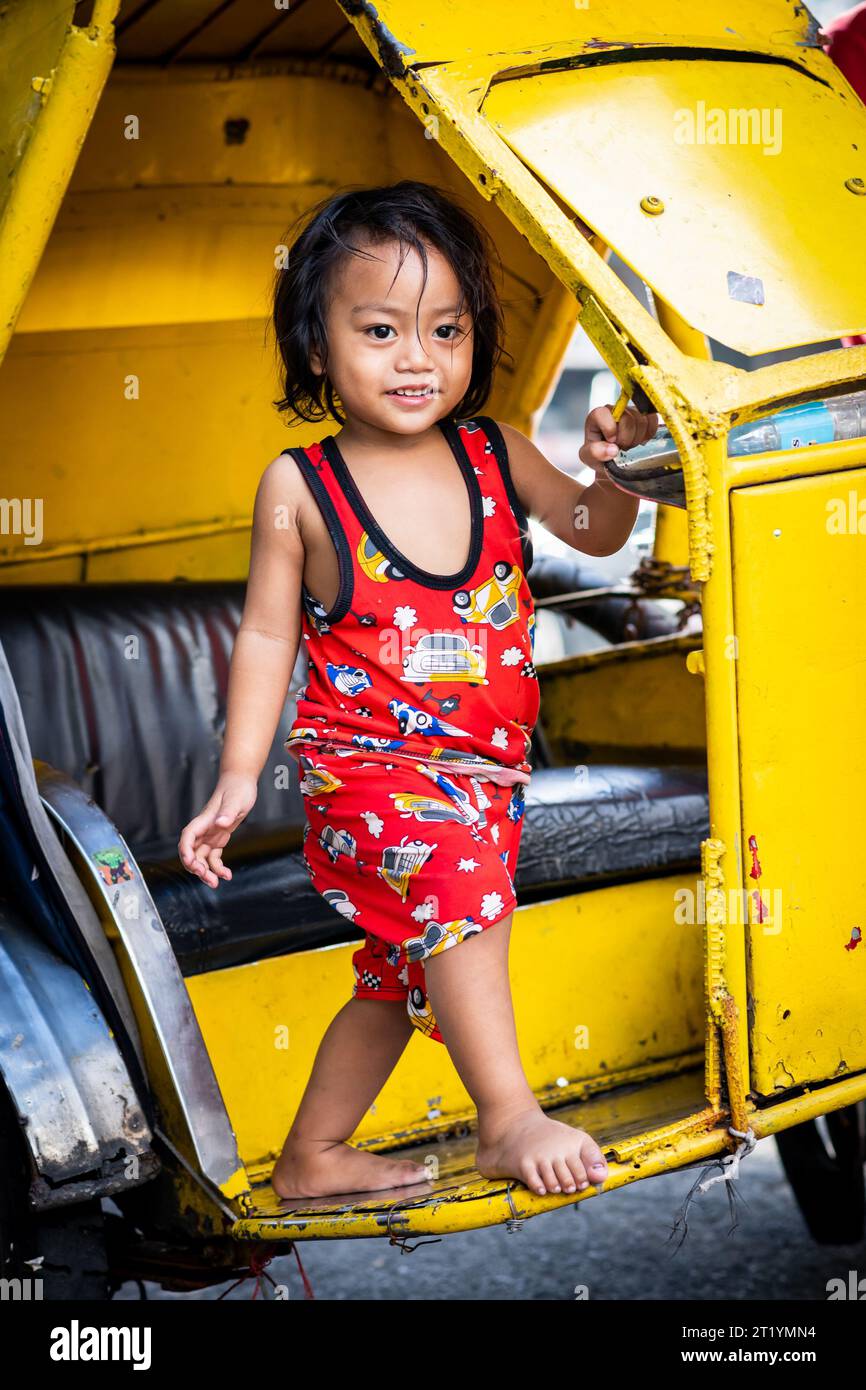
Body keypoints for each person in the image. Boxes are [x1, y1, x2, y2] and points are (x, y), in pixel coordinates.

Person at [178, 181, 658, 1202]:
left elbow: (592, 532)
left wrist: (615, 472)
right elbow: (266, 634)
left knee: (399, 975)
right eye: (380, 329)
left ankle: (311, 1154)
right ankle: (506, 1115)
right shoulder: (300, 487)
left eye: (444, 329)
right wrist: (232, 778)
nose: (416, 357)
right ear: (316, 347)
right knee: (461, 900)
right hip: (365, 769)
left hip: (482, 773)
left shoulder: (493, 453)